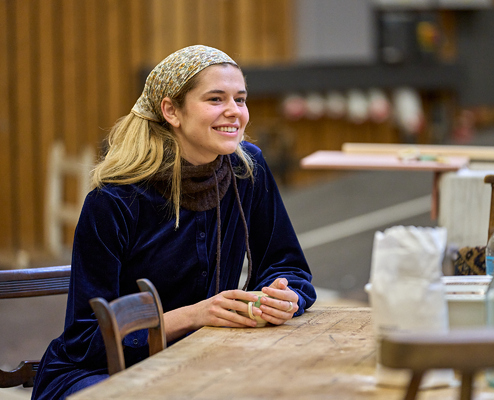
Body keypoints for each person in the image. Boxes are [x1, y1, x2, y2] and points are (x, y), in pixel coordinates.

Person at [32, 45, 316, 400]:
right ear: (172, 111)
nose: (234, 112)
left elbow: (287, 264)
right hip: (96, 376)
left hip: (198, 361)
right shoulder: (114, 201)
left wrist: (282, 295)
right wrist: (194, 316)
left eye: (240, 100)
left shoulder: (246, 168)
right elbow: (87, 341)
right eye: (215, 99)